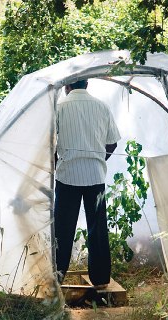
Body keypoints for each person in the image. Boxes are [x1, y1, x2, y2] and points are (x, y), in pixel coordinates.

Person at [54, 79, 120, 289]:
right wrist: (98, 160)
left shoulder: (59, 108)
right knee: (97, 229)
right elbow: (112, 142)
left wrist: (56, 163)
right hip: (95, 177)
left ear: (66, 87)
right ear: (87, 84)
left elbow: (49, 144)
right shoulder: (102, 107)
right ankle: (100, 281)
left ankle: (56, 278)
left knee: (63, 229)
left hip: (67, 177)